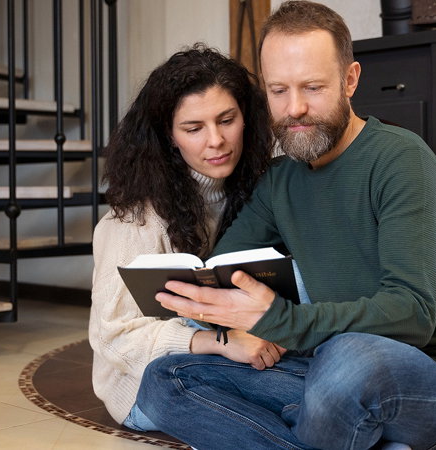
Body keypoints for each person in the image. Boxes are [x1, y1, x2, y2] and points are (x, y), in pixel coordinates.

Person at [138, 2, 436, 449]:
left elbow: (412, 315)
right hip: (323, 372)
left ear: (350, 80)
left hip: (433, 381)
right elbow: (224, 268)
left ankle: (324, 428)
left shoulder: (403, 161)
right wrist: (211, 306)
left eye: (312, 87)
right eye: (278, 90)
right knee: (164, 379)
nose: (294, 108)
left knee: (348, 357)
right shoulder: (279, 180)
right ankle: (345, 436)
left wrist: (279, 320)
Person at [88, 44, 279, 431]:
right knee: (302, 394)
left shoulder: (258, 190)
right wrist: (222, 342)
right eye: (194, 129)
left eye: (227, 120)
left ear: (246, 117)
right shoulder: (135, 219)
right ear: (169, 136)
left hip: (238, 348)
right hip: (146, 383)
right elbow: (113, 337)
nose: (216, 140)